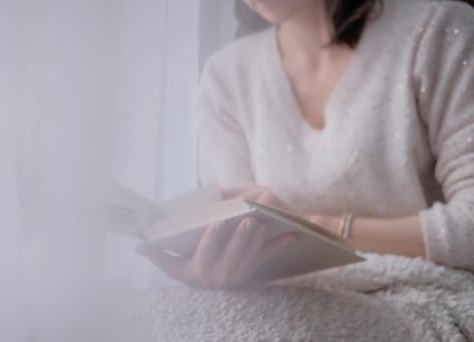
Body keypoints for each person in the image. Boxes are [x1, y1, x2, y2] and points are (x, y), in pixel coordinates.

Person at [137, 0, 474, 290]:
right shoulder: (225, 77)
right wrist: (215, 267)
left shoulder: (437, 32)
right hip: (284, 303)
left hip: (425, 293)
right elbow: (242, 250)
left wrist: (309, 225)